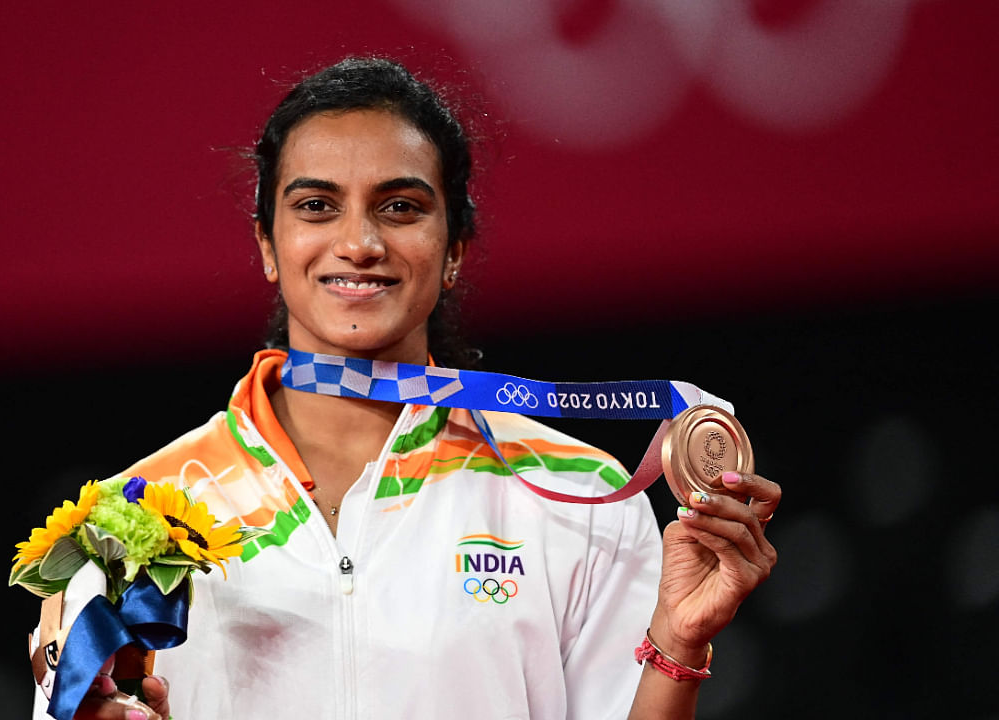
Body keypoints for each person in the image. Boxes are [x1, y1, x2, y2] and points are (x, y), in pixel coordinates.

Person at [57, 56, 780, 720]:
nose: (360, 243)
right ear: (267, 246)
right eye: (316, 206)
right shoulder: (132, 516)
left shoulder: (581, 496)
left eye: (399, 207)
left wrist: (679, 646)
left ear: (455, 249)